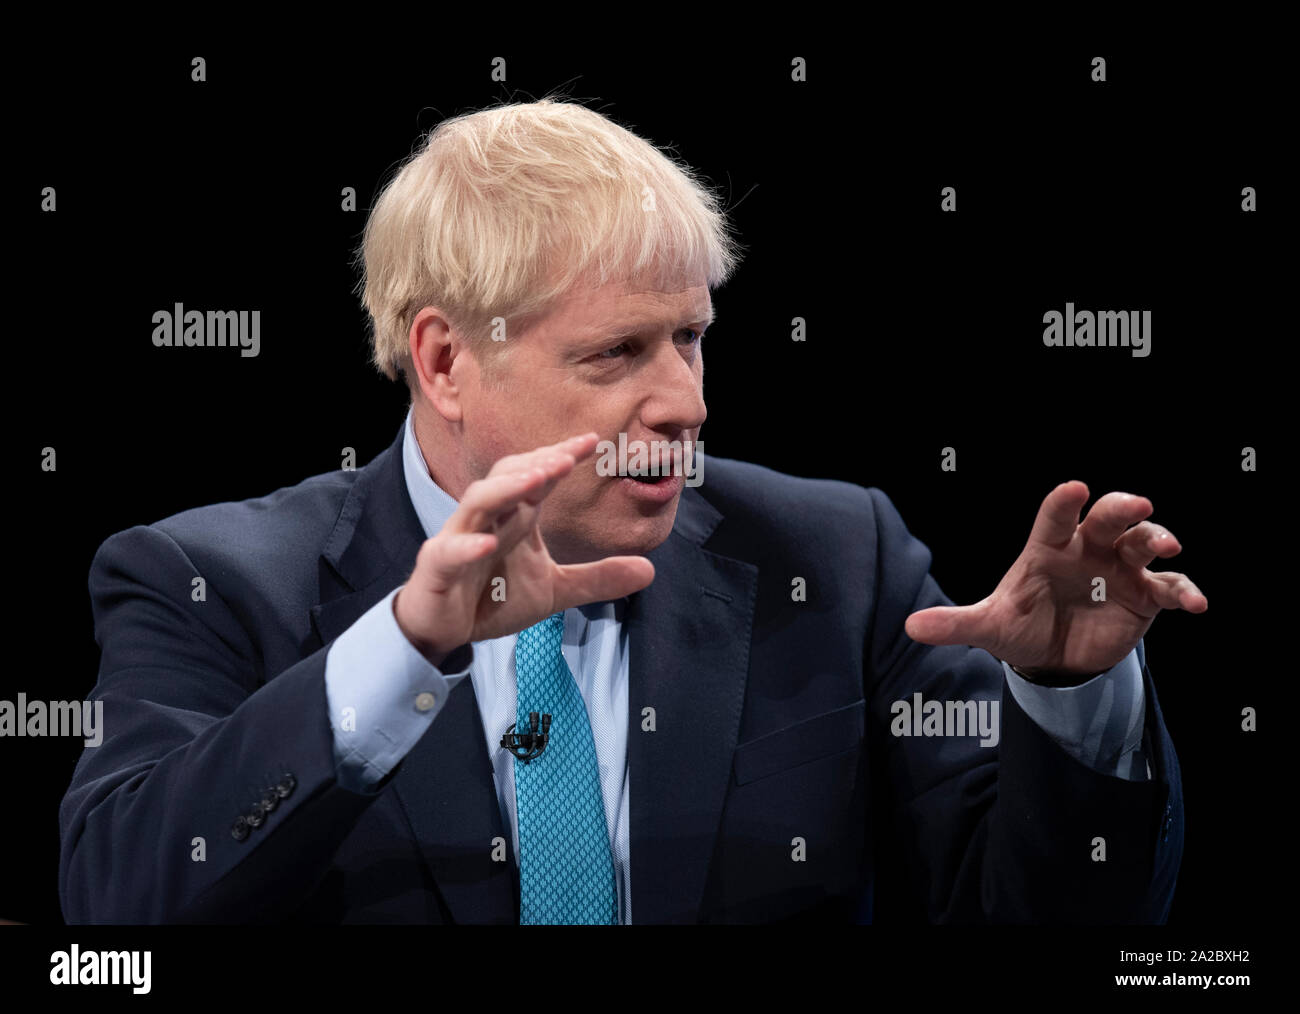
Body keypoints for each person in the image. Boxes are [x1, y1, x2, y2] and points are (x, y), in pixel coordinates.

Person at [58, 98, 1201, 924]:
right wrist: (406, 647)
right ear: (447, 360)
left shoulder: (833, 559)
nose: (686, 402)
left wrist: (1067, 698)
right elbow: (114, 915)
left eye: (691, 338)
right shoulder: (203, 579)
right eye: (617, 353)